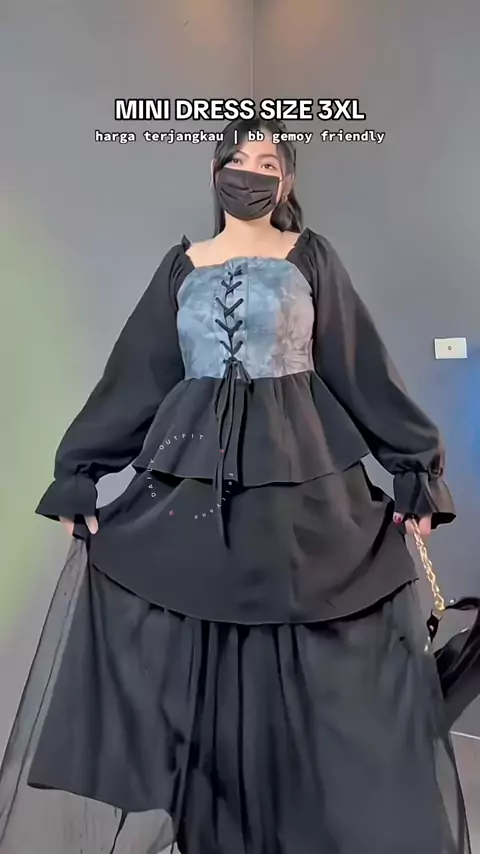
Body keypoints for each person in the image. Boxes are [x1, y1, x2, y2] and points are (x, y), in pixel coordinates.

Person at [0, 116, 470, 854]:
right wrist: (80, 474)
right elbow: (136, 377)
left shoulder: (310, 257)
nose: (252, 171)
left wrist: (416, 469)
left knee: (304, 662)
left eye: (269, 161)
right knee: (208, 666)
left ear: (286, 180)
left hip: (300, 494)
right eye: (240, 157)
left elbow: (360, 367)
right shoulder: (181, 267)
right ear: (217, 168)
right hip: (194, 497)